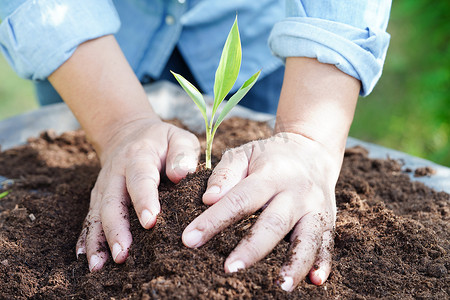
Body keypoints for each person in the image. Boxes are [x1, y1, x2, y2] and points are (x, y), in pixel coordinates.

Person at [0, 0, 391, 292]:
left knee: (288, 189)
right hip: (92, 43)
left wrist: (309, 139)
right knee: (122, 173)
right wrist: (119, 127)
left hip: (275, 36)